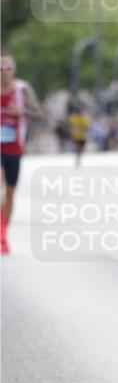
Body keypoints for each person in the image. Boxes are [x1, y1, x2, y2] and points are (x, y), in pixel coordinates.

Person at [1, 51, 44, 254]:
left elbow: (39, 115)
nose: (4, 72)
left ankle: (3, 234)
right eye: (0, 68)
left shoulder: (22, 90)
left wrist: (22, 111)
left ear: (14, 69)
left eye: (7, 67)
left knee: (9, 194)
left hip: (14, 148)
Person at [67, 101, 90, 166]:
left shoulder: (83, 118)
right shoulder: (73, 118)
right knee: (78, 147)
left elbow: (87, 127)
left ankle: (78, 156)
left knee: (81, 148)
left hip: (82, 136)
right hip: (76, 136)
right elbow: (70, 126)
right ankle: (78, 157)